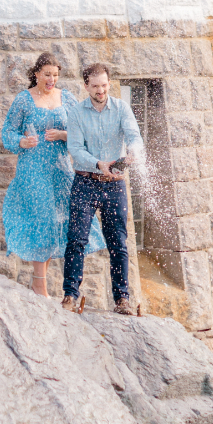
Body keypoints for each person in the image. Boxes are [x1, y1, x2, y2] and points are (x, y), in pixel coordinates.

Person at [1, 52, 104, 296]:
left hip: (60, 169)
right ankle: (40, 286)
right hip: (33, 168)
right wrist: (22, 141)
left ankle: (39, 282)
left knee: (58, 222)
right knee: (43, 219)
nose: (51, 80)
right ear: (36, 74)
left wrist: (63, 135)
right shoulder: (23, 100)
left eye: (55, 75)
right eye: (47, 74)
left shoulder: (66, 98)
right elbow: (8, 133)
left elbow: (82, 133)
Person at [62, 62, 144, 316]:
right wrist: (98, 163)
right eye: (95, 86)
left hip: (114, 185)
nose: (101, 90)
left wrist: (132, 151)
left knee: (118, 243)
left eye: (104, 85)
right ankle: (70, 296)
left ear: (109, 83)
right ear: (86, 85)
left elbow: (134, 135)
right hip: (85, 181)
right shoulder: (76, 112)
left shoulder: (121, 108)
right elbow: (74, 148)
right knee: (76, 241)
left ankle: (122, 300)